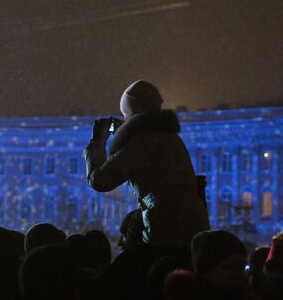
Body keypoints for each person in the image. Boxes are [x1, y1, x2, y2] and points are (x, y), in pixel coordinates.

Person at [84, 80, 210, 248]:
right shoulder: (171, 138)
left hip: (165, 226)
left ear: (132, 115)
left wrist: (97, 143)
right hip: (194, 224)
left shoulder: (142, 143)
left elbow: (99, 181)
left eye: (125, 116)